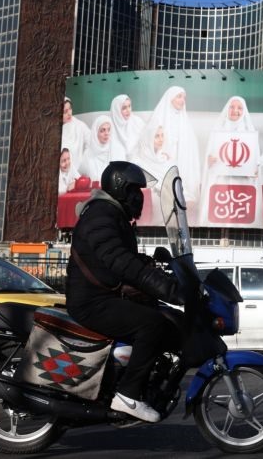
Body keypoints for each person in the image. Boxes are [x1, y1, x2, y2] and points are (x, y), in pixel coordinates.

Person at [66, 161, 185, 423]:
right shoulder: (101, 215)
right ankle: (128, 395)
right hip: (91, 302)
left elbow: (123, 262)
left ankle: (133, 376)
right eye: (135, 191)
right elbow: (119, 261)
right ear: (120, 188)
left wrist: (159, 269)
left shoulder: (112, 214)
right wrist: (168, 289)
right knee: (151, 324)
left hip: (103, 296)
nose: (139, 198)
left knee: (162, 317)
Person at [201, 96, 261, 226]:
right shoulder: (216, 132)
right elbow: (209, 160)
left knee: (239, 222)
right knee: (219, 222)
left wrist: (255, 170)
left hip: (242, 186)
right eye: (232, 107)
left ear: (244, 111)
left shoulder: (249, 133)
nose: (235, 111)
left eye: (239, 108)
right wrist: (210, 160)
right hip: (220, 185)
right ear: (227, 109)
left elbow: (256, 163)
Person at [149, 86, 201, 215]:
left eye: (184, 97)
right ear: (170, 98)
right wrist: (161, 154)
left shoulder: (185, 121)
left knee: (187, 200)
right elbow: (148, 145)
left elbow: (191, 149)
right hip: (160, 165)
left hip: (181, 165)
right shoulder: (158, 118)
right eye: (179, 96)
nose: (182, 100)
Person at [129, 120, 173, 225]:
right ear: (148, 138)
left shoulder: (165, 160)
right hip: (144, 213)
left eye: (162, 135)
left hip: (165, 213)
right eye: (157, 136)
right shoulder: (137, 161)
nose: (161, 139)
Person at [79, 115, 123, 181]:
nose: (106, 133)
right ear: (95, 133)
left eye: (109, 130)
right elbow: (82, 177)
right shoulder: (88, 154)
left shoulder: (118, 150)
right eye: (102, 130)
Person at [61, 98, 91, 173]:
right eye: (65, 111)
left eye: (70, 109)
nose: (69, 113)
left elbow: (92, 142)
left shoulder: (80, 125)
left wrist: (84, 164)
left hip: (78, 173)